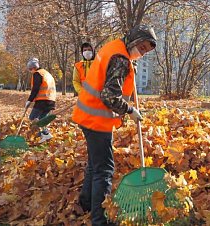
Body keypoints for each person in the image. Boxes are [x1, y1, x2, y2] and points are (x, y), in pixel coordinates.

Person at [71, 24, 157, 226]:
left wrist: (129, 68)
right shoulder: (120, 59)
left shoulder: (114, 48)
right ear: (134, 41)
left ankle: (85, 205)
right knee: (104, 170)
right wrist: (130, 110)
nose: (142, 54)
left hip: (86, 115)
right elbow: (109, 96)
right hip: (96, 120)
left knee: (94, 165)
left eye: (146, 51)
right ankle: (100, 220)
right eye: (142, 48)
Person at [25, 58, 56, 143]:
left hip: (42, 100)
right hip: (51, 100)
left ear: (33, 68)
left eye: (30, 69)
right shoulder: (47, 73)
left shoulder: (37, 74)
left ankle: (43, 134)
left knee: (32, 117)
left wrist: (29, 100)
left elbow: (35, 88)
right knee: (42, 119)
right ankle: (44, 135)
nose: (30, 71)